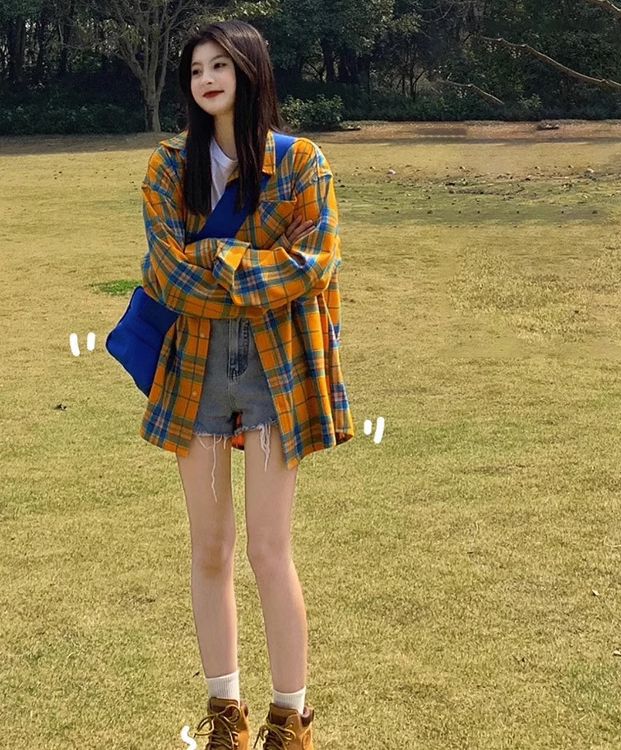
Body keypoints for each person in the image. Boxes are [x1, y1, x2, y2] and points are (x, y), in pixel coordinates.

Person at [138, 18, 355, 750]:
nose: (205, 78)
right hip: (195, 366)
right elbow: (167, 274)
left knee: (269, 547)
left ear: (249, 71)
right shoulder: (169, 167)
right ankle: (224, 717)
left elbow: (315, 263)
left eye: (219, 65)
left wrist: (218, 258)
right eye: (196, 68)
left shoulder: (302, 162)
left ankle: (289, 721)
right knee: (209, 547)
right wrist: (256, 266)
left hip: (276, 368)